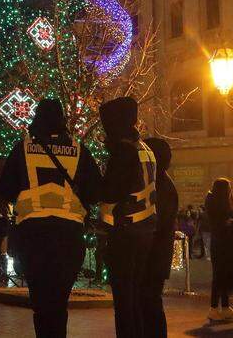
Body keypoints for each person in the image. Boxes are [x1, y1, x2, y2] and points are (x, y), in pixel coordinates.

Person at [0, 98, 103, 338]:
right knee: (58, 303)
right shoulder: (78, 149)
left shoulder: (23, 148)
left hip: (33, 235)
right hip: (69, 236)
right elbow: (96, 191)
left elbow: (4, 188)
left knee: (41, 303)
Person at [97, 97, 157, 337]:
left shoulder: (123, 151)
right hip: (145, 229)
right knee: (135, 296)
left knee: (124, 299)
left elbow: (110, 192)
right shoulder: (146, 149)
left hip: (125, 231)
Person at [138, 137, 178, 337]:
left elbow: (156, 224)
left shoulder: (159, 185)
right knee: (150, 304)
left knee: (149, 304)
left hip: (152, 257)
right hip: (156, 257)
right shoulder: (162, 183)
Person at [205, 178, 233, 322]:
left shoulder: (216, 201)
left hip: (224, 242)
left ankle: (225, 307)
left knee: (224, 275)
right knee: (219, 275)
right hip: (222, 243)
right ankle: (214, 308)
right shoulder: (217, 203)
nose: (230, 190)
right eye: (228, 187)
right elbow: (225, 220)